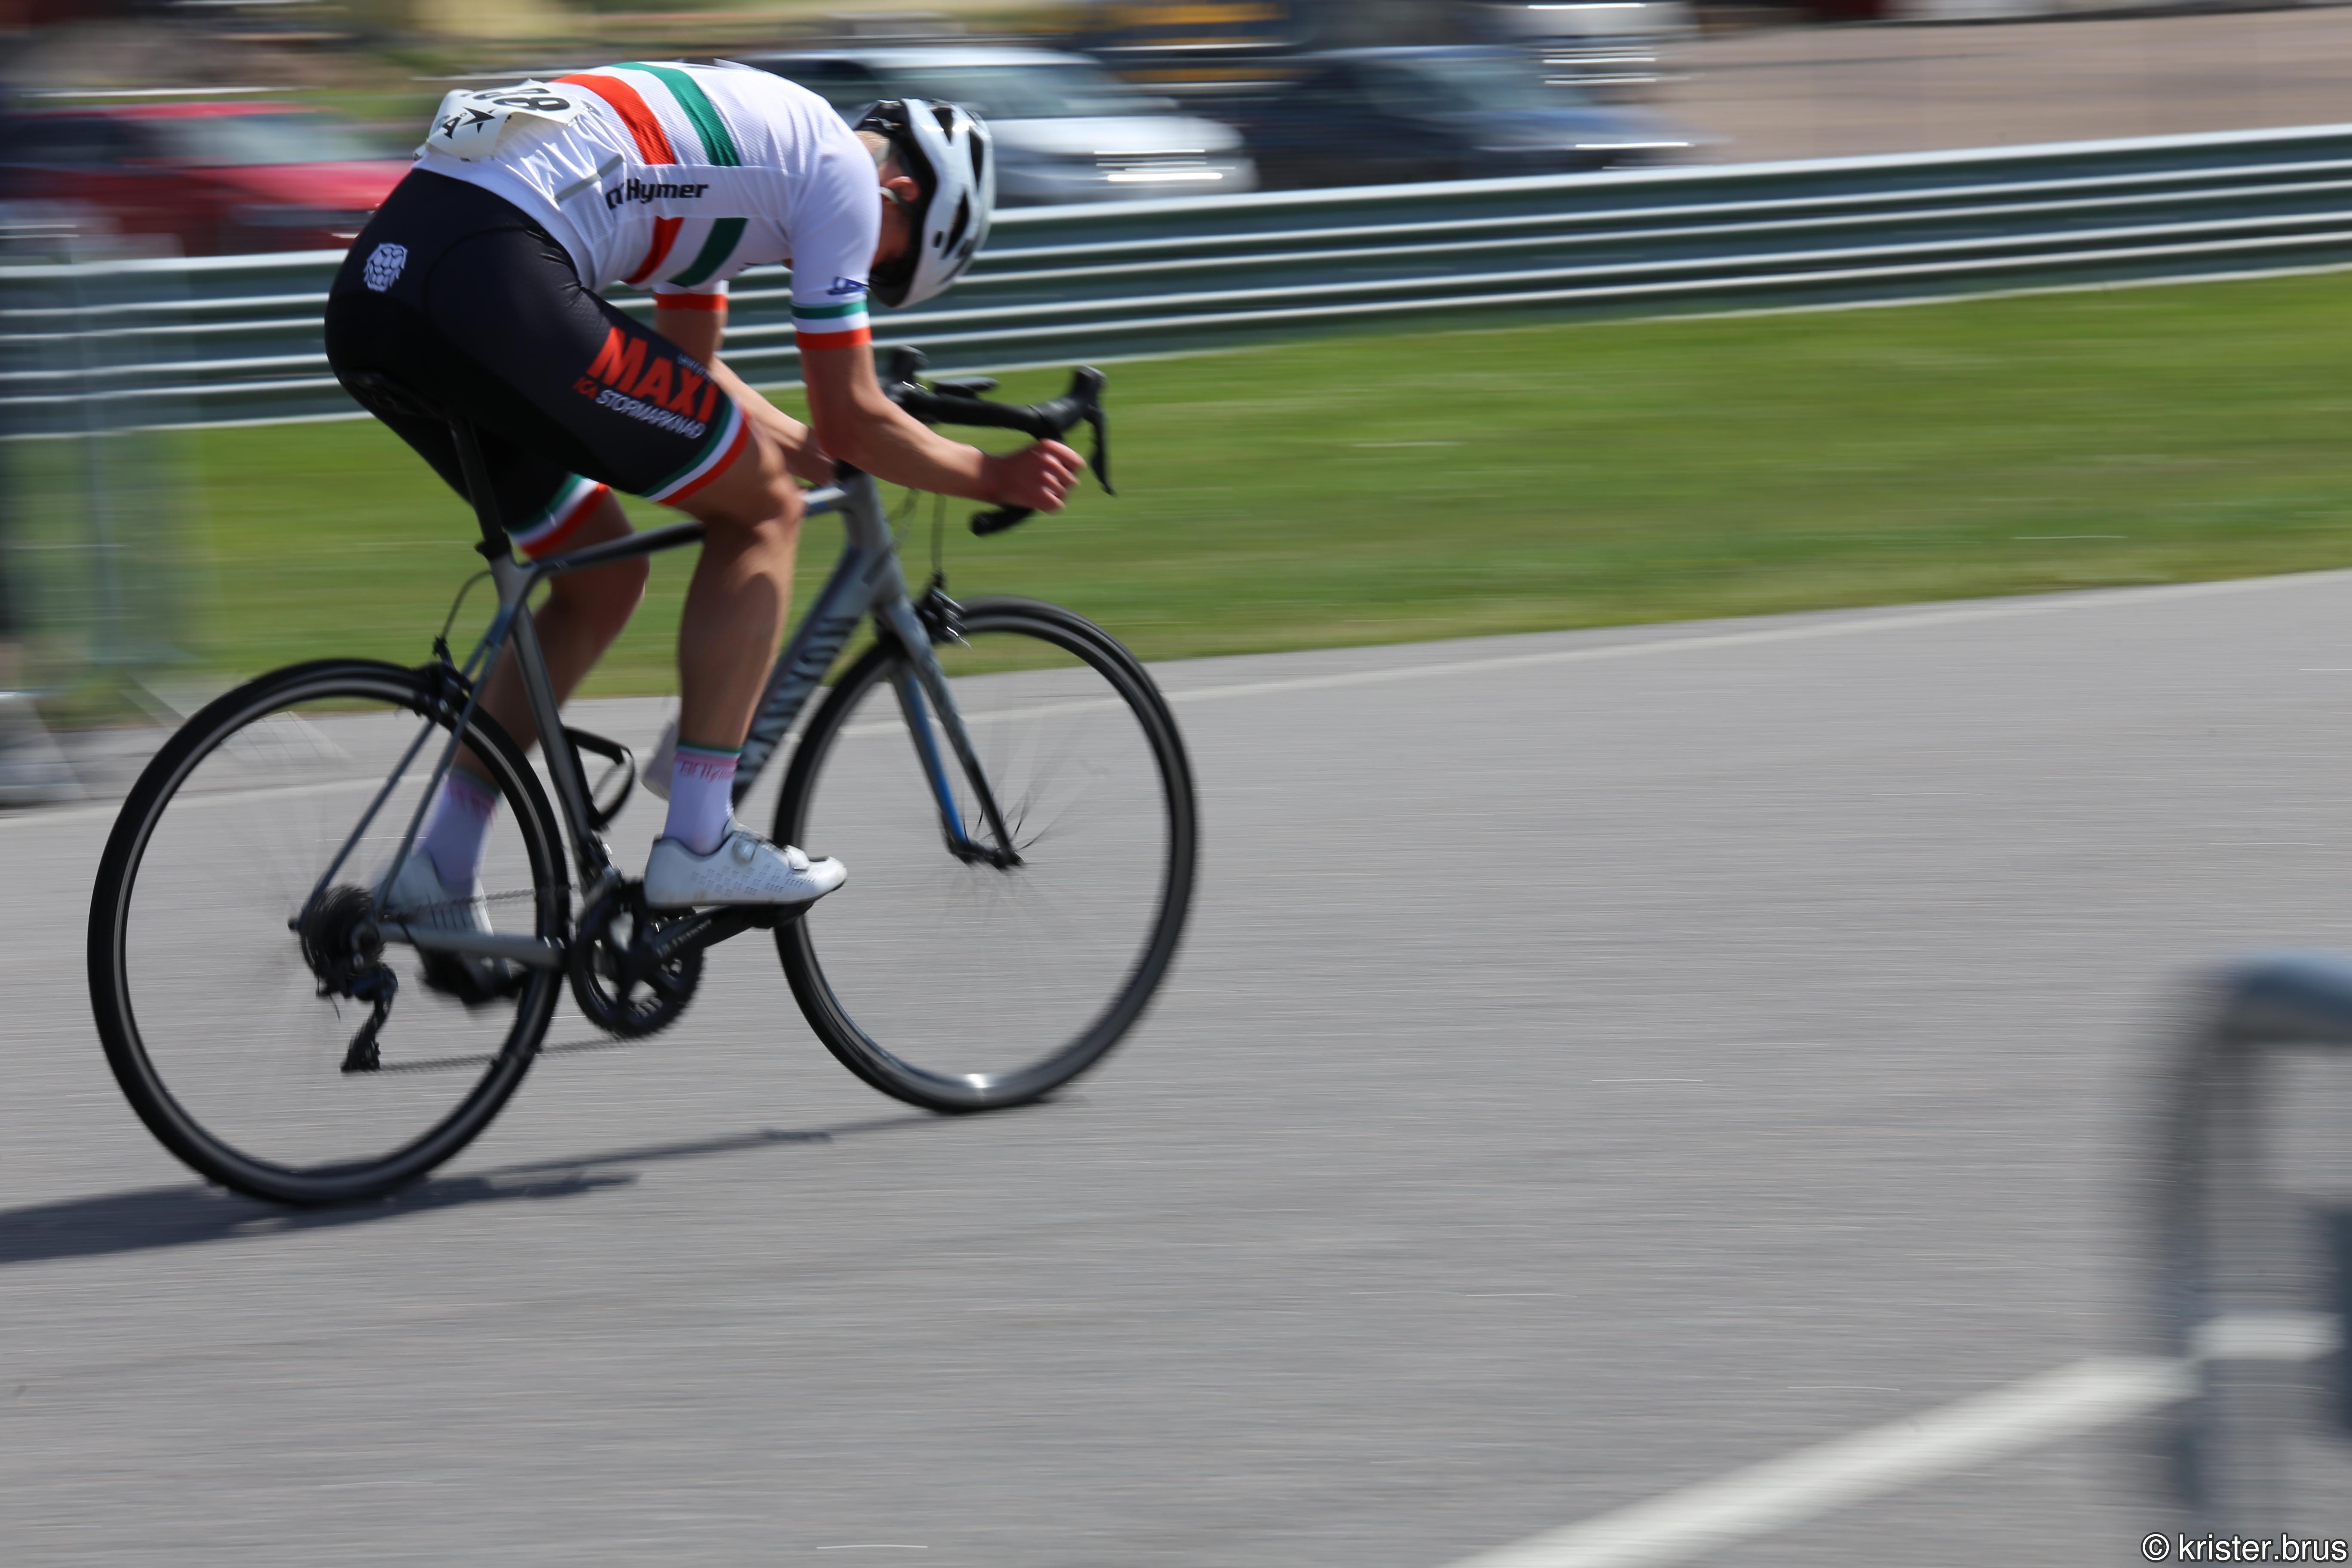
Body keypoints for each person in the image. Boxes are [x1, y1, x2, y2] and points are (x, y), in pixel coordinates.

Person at [324, 65, 1082, 991]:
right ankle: (699, 838)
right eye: (888, 265)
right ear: (904, 192)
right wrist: (991, 473)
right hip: (493, 280)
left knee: (601, 574)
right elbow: (851, 417)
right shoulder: (843, 173)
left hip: (384, 291)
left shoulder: (744, 156)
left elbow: (690, 371)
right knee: (762, 510)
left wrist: (802, 446)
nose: (862, 271)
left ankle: (440, 866)